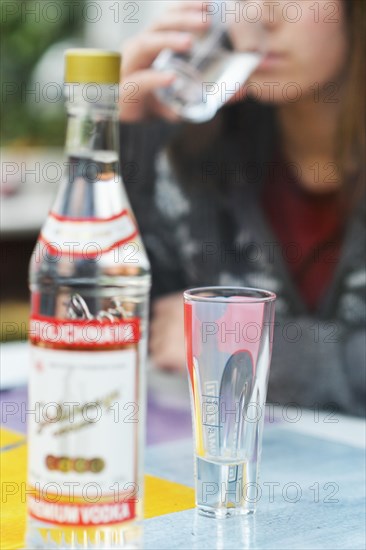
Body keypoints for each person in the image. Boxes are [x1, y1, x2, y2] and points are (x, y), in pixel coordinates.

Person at [118, 0, 365, 416]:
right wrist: (122, 133)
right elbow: (108, 320)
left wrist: (239, 342)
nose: (260, 16)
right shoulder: (196, 148)